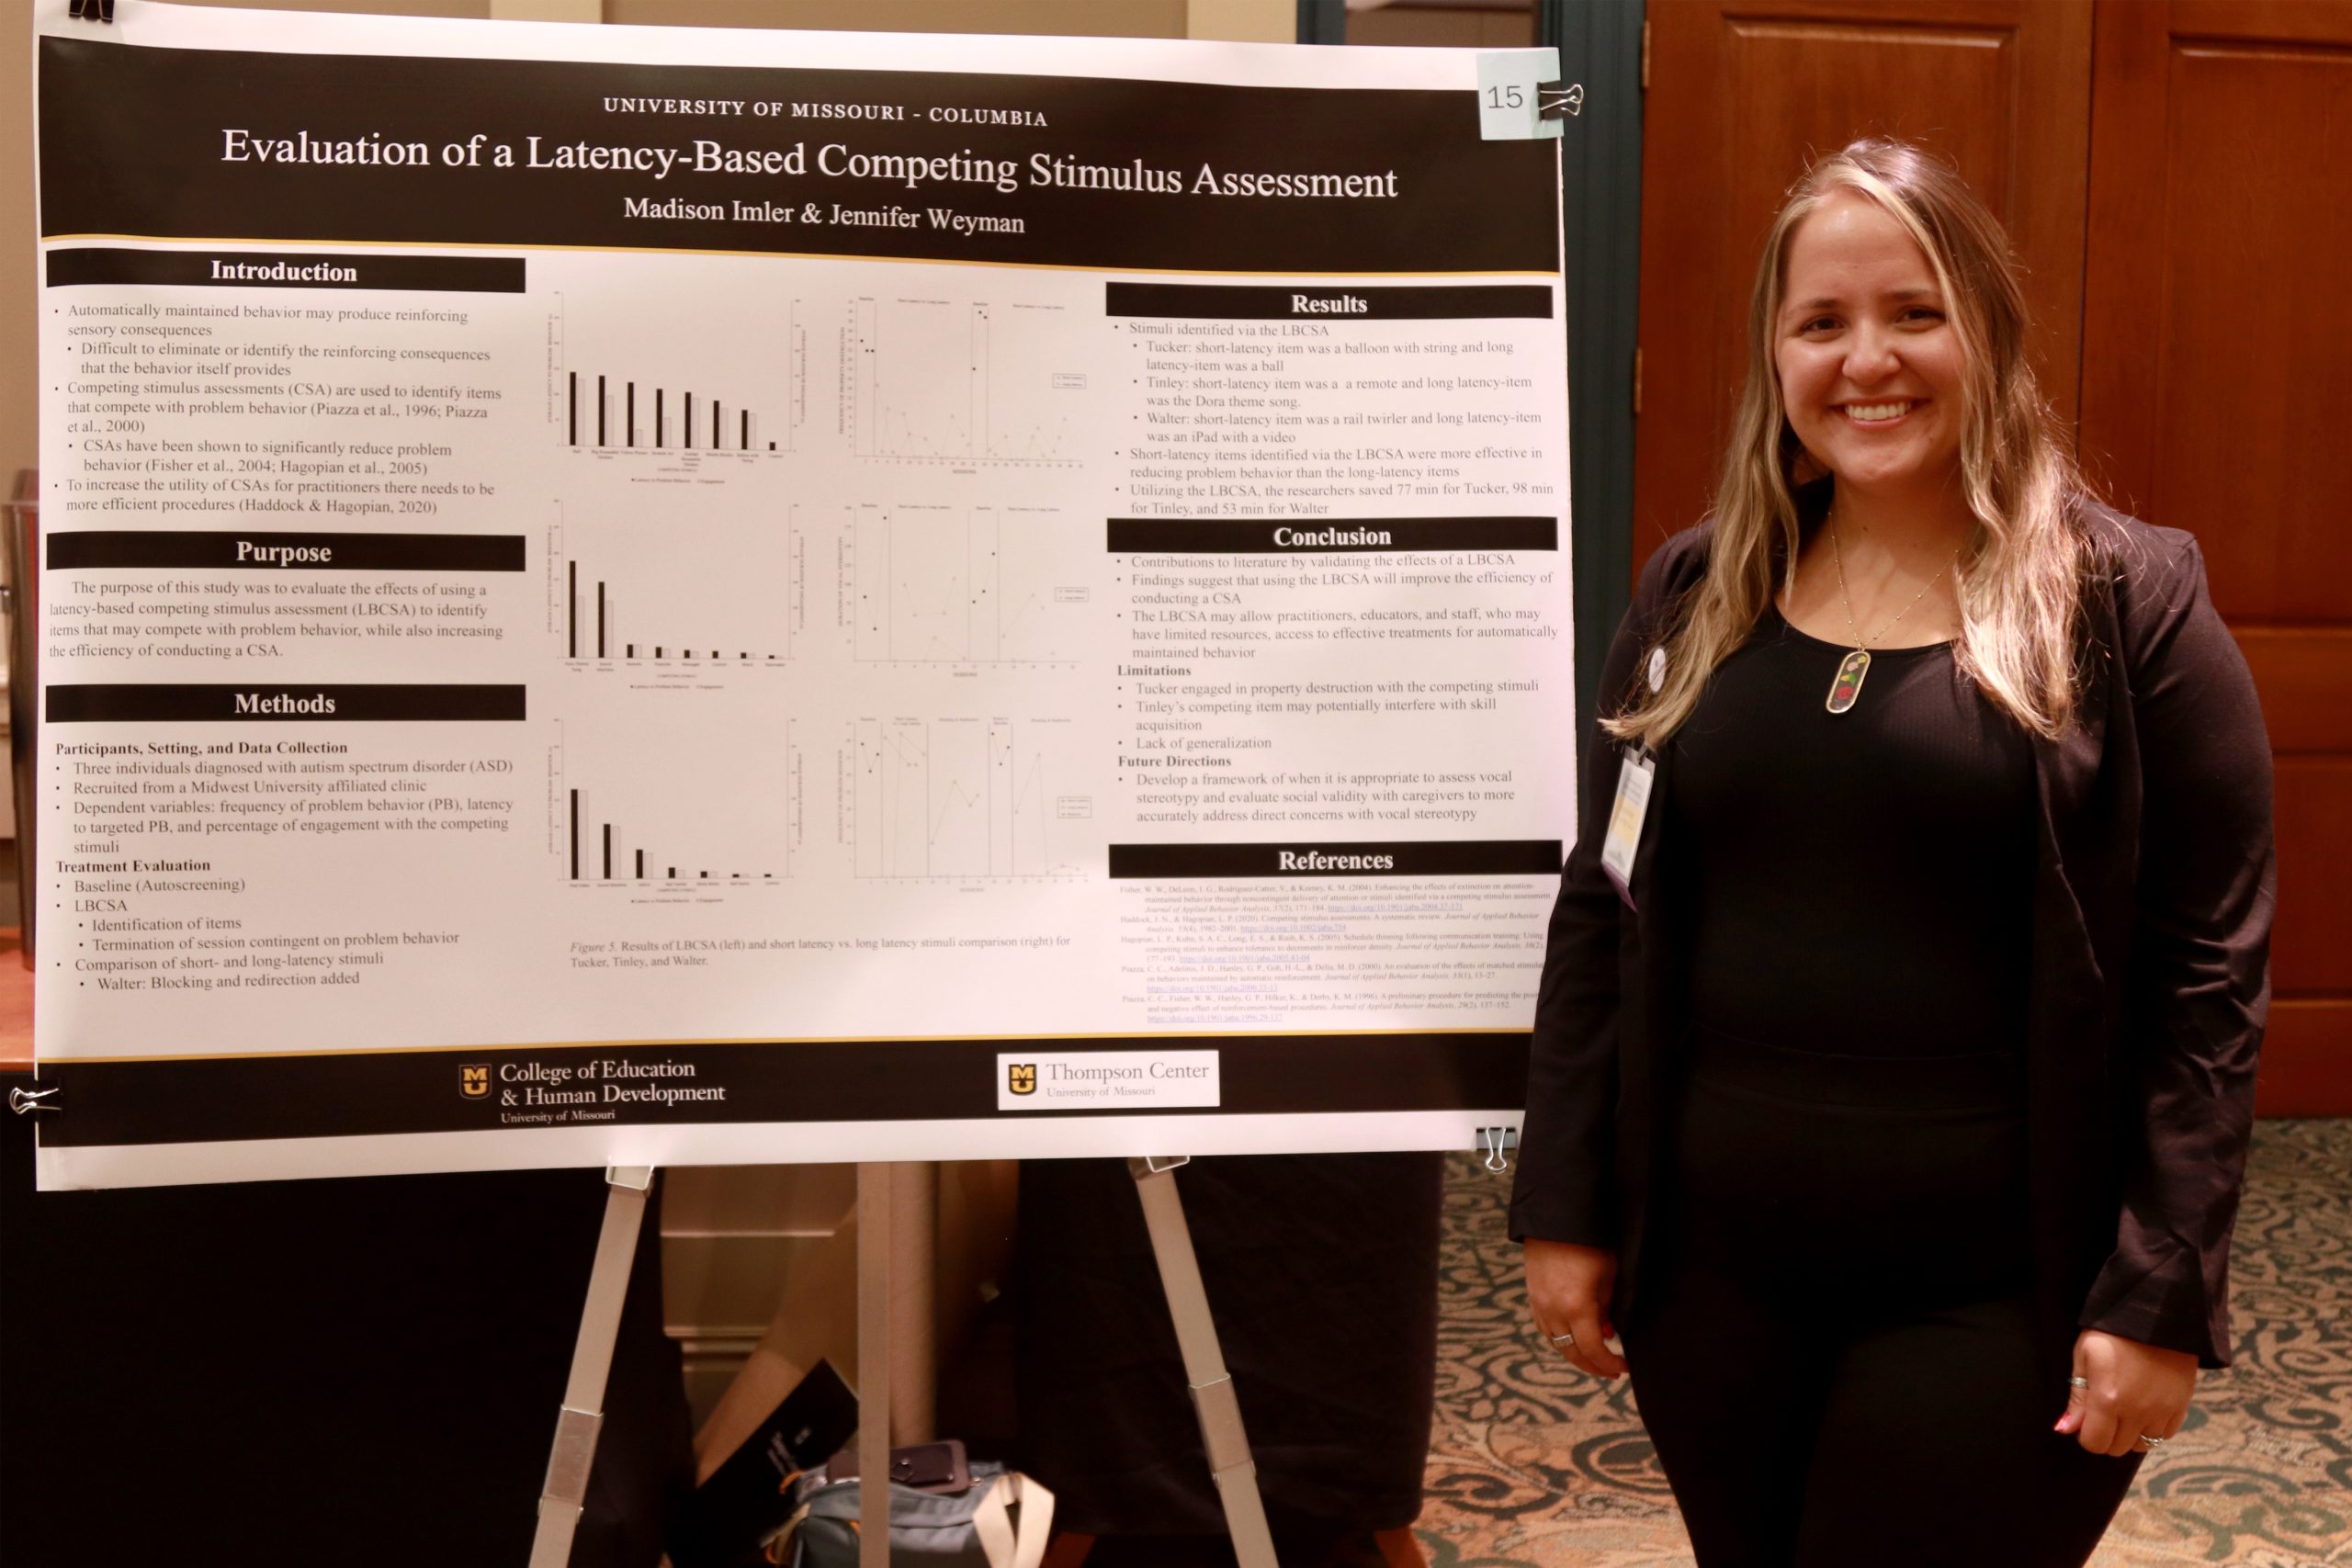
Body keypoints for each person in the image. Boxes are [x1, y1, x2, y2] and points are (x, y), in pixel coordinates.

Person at [1508, 138, 2273, 1567]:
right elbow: (1603, 906)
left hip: (2001, 1290)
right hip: (1713, 1283)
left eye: (1915, 313)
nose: (1869, 360)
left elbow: (2206, 977)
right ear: (1776, 355)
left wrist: (2159, 1286)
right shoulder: (1696, 590)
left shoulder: (2127, 604)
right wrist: (1564, 1201)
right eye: (1823, 321)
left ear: (1987, 330)